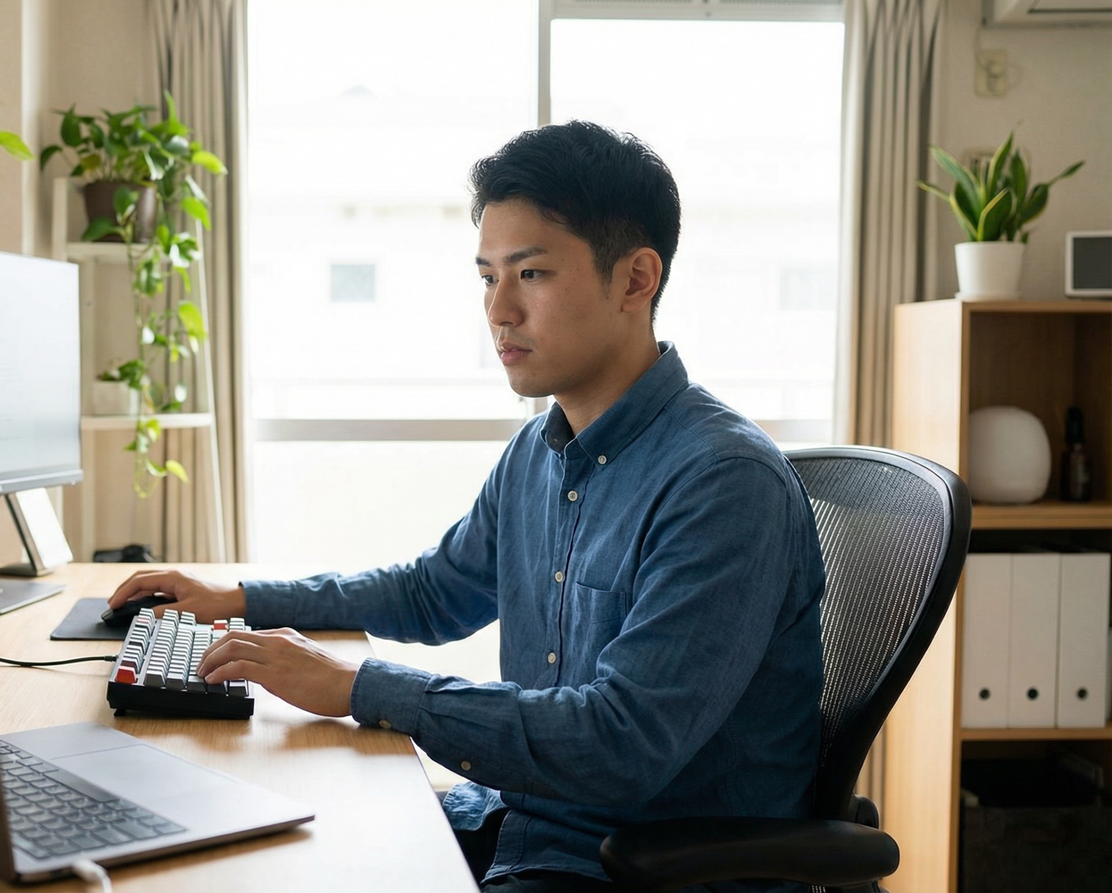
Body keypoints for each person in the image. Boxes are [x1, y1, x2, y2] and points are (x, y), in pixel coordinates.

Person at [106, 120, 825, 893]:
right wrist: (240, 599)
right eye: (488, 277)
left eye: (532, 275)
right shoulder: (539, 452)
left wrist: (357, 686)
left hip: (634, 866)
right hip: (524, 823)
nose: (499, 311)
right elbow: (434, 592)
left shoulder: (722, 482)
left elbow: (620, 741)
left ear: (635, 279)